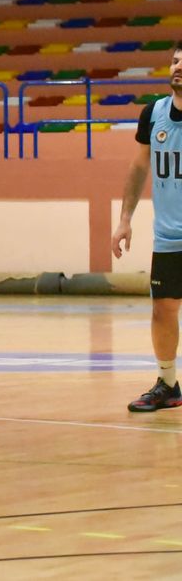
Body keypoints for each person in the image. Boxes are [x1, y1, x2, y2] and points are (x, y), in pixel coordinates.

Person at [114, 44, 182, 412]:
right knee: (163, 310)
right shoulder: (153, 113)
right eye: (175, 59)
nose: (178, 65)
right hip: (170, 237)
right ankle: (168, 383)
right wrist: (125, 219)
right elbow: (139, 168)